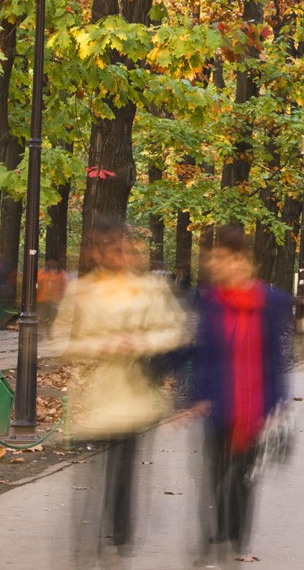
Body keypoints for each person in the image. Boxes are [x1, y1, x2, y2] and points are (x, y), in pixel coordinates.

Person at [53, 222, 188, 563]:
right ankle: (88, 539)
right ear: (98, 253)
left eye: (128, 249)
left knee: (125, 469)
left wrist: (140, 342)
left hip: (134, 393)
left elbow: (173, 332)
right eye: (115, 249)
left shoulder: (150, 290)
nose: (124, 256)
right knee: (90, 469)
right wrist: (102, 346)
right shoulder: (80, 292)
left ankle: (119, 539)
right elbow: (61, 341)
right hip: (96, 393)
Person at [190, 226, 292, 564]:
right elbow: (201, 352)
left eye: (224, 258)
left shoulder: (272, 301)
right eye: (213, 259)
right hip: (217, 400)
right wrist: (192, 397)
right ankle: (217, 532)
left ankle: (237, 537)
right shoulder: (208, 301)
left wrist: (278, 401)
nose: (218, 266)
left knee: (244, 475)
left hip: (254, 403)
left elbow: (278, 357)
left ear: (243, 260)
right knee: (215, 472)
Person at [37, 257, 68, 328]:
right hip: (43, 299)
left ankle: (49, 332)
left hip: (55, 300)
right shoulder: (42, 272)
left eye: (53, 261)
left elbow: (65, 285)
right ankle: (42, 333)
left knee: (52, 318)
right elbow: (37, 283)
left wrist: (63, 297)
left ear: (56, 262)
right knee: (42, 317)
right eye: (49, 261)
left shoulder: (61, 273)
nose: (51, 263)